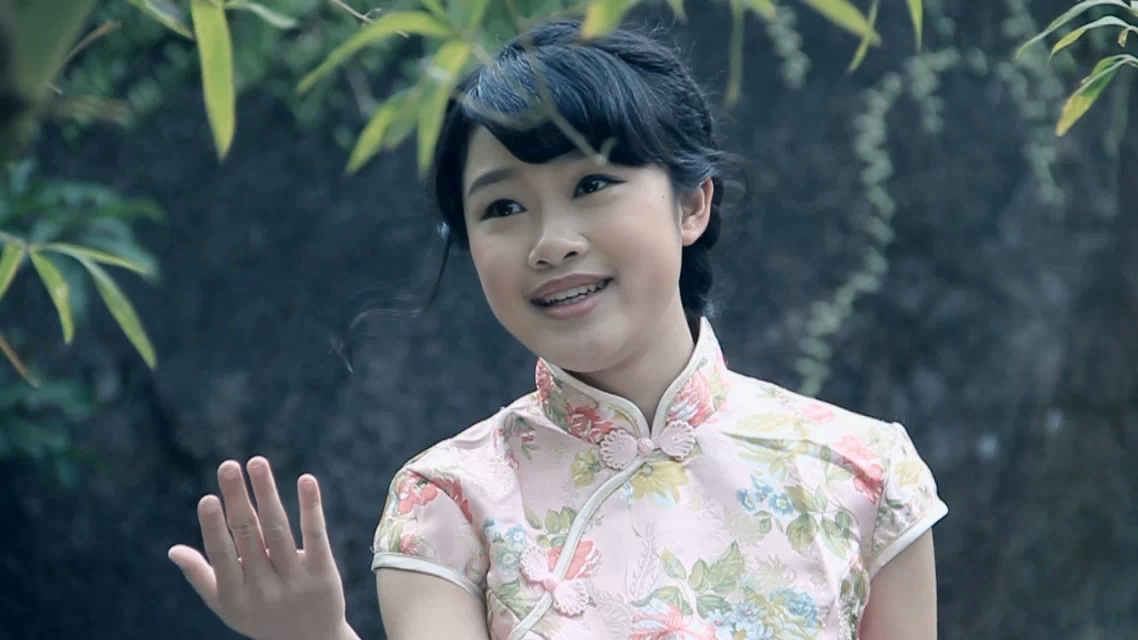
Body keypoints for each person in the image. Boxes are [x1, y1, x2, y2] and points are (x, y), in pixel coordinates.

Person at [167, 18, 948, 640]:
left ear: (691, 204)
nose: (551, 242)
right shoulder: (449, 502)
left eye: (593, 183)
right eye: (503, 206)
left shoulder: (864, 475)